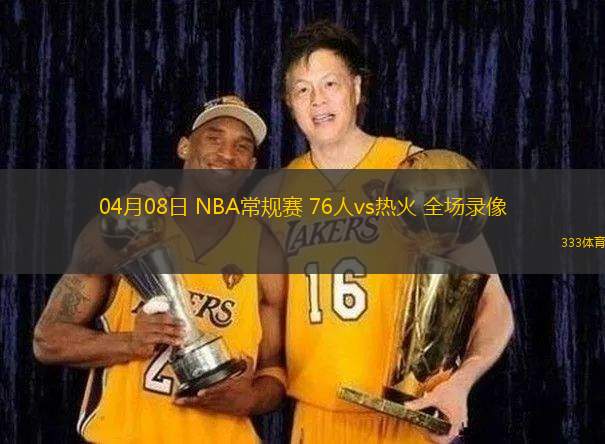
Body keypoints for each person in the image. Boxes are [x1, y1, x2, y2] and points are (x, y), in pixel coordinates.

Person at [277, 22, 514, 443]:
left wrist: (461, 382)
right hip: (317, 420)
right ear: (290, 104)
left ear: (356, 88)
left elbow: (492, 303)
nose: (317, 100)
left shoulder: (416, 167)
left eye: (330, 83)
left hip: (407, 417)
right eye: (302, 89)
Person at [33, 96, 287, 443]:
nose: (227, 154)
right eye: (214, 138)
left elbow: (275, 368)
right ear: (184, 147)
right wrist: (130, 343)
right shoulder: (124, 225)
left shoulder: (264, 251)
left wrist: (252, 399)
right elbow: (48, 340)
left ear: (251, 165)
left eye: (242, 147)